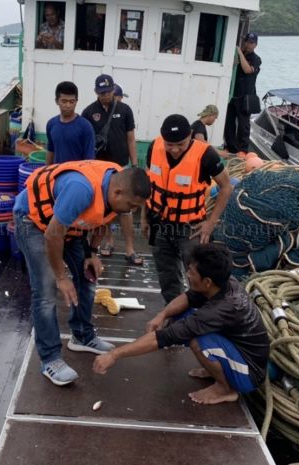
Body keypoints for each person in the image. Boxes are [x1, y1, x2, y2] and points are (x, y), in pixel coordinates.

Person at [13, 161, 151, 386]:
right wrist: (61, 277)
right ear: (118, 192)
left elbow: (102, 219)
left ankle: (82, 335)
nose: (132, 211)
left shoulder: (116, 189)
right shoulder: (81, 189)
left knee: (88, 276)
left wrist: (92, 253)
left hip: (67, 225)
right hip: (35, 222)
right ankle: (50, 359)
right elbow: (52, 236)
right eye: (131, 205)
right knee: (46, 292)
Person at [93, 243, 270, 405]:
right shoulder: (224, 282)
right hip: (239, 350)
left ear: (207, 281)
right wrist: (161, 315)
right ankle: (217, 370)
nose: (187, 274)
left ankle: (225, 389)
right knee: (179, 315)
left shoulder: (221, 309)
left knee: (198, 341)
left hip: (249, 374)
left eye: (192, 272)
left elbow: (163, 338)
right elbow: (189, 297)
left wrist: (114, 355)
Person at [141, 114, 233, 304]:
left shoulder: (206, 154)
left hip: (190, 228)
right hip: (159, 224)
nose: (174, 150)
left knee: (198, 275)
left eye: (180, 144)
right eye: (169, 144)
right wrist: (144, 217)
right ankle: (174, 314)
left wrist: (210, 223)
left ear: (191, 135)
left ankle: (200, 315)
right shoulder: (154, 147)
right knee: (167, 276)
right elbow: (149, 185)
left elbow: (226, 187)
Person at [82, 74, 142, 265]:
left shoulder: (125, 110)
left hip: (121, 167)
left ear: (113, 89)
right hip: (99, 170)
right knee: (105, 207)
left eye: (108, 91)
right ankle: (108, 241)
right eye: (101, 92)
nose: (105, 95)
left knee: (126, 210)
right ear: (95, 92)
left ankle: (130, 248)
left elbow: (131, 138)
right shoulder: (89, 112)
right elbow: (85, 141)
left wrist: (135, 164)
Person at [224, 32, 262, 156]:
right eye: (247, 42)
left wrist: (240, 53)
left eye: (251, 43)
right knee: (229, 123)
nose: (248, 45)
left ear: (255, 45)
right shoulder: (238, 56)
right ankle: (230, 147)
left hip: (245, 97)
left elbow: (247, 70)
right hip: (233, 95)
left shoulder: (256, 59)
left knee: (243, 125)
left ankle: (243, 150)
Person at [45, 81, 96, 165]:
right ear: (57, 101)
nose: (68, 105)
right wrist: (46, 171)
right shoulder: (51, 124)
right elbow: (51, 149)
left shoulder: (86, 127)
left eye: (72, 101)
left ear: (76, 101)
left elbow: (89, 160)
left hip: (76, 176)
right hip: (57, 175)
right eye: (64, 101)